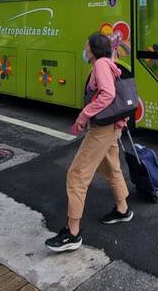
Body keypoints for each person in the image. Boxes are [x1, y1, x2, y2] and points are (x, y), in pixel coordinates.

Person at [45, 33, 132, 253]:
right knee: (111, 167)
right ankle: (122, 209)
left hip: (102, 130)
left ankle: (72, 233)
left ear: (93, 50)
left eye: (87, 47)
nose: (84, 50)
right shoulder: (109, 63)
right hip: (113, 127)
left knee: (76, 175)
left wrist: (83, 115)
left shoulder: (101, 65)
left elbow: (107, 95)